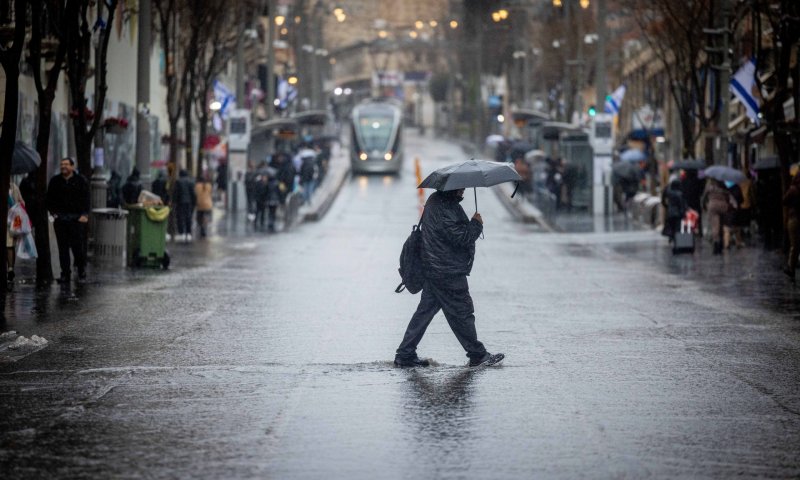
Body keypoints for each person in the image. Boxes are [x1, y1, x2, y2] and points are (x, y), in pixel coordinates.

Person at [395, 188, 504, 368]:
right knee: (462, 312)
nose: (464, 189)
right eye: (461, 187)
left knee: (424, 313)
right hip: (447, 271)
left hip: (436, 268)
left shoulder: (438, 201)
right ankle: (477, 354)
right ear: (452, 188)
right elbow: (462, 237)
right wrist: (476, 224)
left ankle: (405, 354)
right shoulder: (445, 207)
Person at [46, 157, 90, 283]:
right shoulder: (55, 181)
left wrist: (84, 214)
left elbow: (86, 198)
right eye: (62, 164)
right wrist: (54, 214)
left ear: (72, 166)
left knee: (78, 247)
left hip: (76, 219)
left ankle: (81, 271)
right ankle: (65, 273)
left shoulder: (81, 181)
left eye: (66, 164)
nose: (63, 166)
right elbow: (49, 199)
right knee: (63, 248)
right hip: (61, 219)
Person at [702, 179, 732, 255]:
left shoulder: (710, 186)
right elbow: (728, 196)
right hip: (723, 206)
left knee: (715, 226)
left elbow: (704, 196)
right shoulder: (724, 185)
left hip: (713, 206)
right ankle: (722, 243)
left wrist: (704, 205)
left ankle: (716, 244)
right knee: (722, 225)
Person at [782, 174, 800, 282]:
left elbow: (784, 201)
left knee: (794, 245)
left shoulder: (793, 189)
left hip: (794, 218)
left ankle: (791, 268)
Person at [7, 182, 24, 283]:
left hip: (12, 222)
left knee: (10, 245)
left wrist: (18, 207)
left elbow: (22, 202)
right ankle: (10, 269)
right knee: (9, 246)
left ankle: (10, 269)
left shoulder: (14, 187)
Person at [173, 169, 196, 242]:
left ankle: (181, 233)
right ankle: (188, 233)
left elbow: (176, 193)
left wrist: (174, 201)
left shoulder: (178, 181)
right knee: (188, 217)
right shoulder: (191, 181)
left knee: (180, 217)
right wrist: (194, 202)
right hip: (189, 202)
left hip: (180, 202)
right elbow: (193, 193)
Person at [195, 174, 213, 238]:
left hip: (200, 204)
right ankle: (204, 228)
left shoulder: (197, 186)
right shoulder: (209, 186)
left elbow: (195, 194)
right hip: (208, 204)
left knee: (199, 218)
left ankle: (201, 228)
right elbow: (210, 193)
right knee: (206, 217)